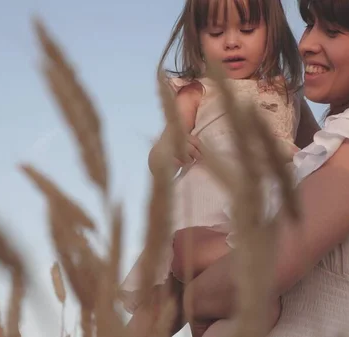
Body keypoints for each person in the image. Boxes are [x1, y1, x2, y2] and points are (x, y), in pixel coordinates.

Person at [172, 0, 349, 335]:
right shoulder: (330, 146)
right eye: (309, 24)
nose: (305, 44)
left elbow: (260, 271)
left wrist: (201, 273)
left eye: (332, 31)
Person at [119, 0, 320, 336]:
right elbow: (160, 155)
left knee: (233, 304)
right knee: (159, 309)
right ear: (198, 39)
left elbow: (317, 150)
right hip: (199, 210)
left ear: (273, 32)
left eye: (246, 29)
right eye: (215, 32)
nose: (231, 42)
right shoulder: (199, 91)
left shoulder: (290, 95)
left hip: (259, 216)